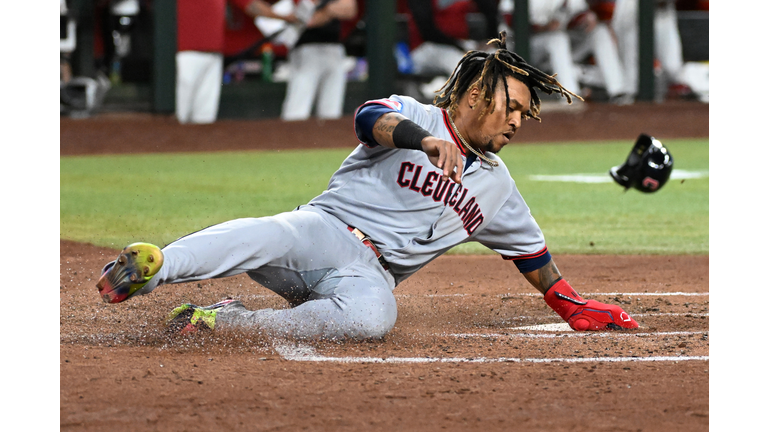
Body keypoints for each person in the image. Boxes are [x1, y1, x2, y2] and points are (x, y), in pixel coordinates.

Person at [96, 32, 639, 340]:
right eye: (512, 107)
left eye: (525, 114)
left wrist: (572, 306)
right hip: (325, 230)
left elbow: (533, 256)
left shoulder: (498, 188)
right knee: (273, 233)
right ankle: (154, 269)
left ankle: (226, 322)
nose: (518, 121)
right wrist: (419, 141)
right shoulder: (417, 116)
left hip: (371, 276)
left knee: (375, 317)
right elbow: (367, 118)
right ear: (476, 93)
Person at [502, 0, 629, 104]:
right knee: (557, 38)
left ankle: (618, 91)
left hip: (561, 51)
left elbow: (579, 13)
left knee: (599, 32)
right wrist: (544, 28)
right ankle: (571, 94)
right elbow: (509, 20)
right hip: (526, 49)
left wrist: (587, 18)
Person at [611, 0, 709, 102]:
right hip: (632, 7)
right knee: (631, 73)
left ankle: (658, 100)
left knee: (672, 67)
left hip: (663, 8)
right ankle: (628, 107)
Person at [175, 0, 227, 124]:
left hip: (214, 54)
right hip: (184, 52)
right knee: (179, 115)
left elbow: (249, 4)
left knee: (205, 117)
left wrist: (279, 17)